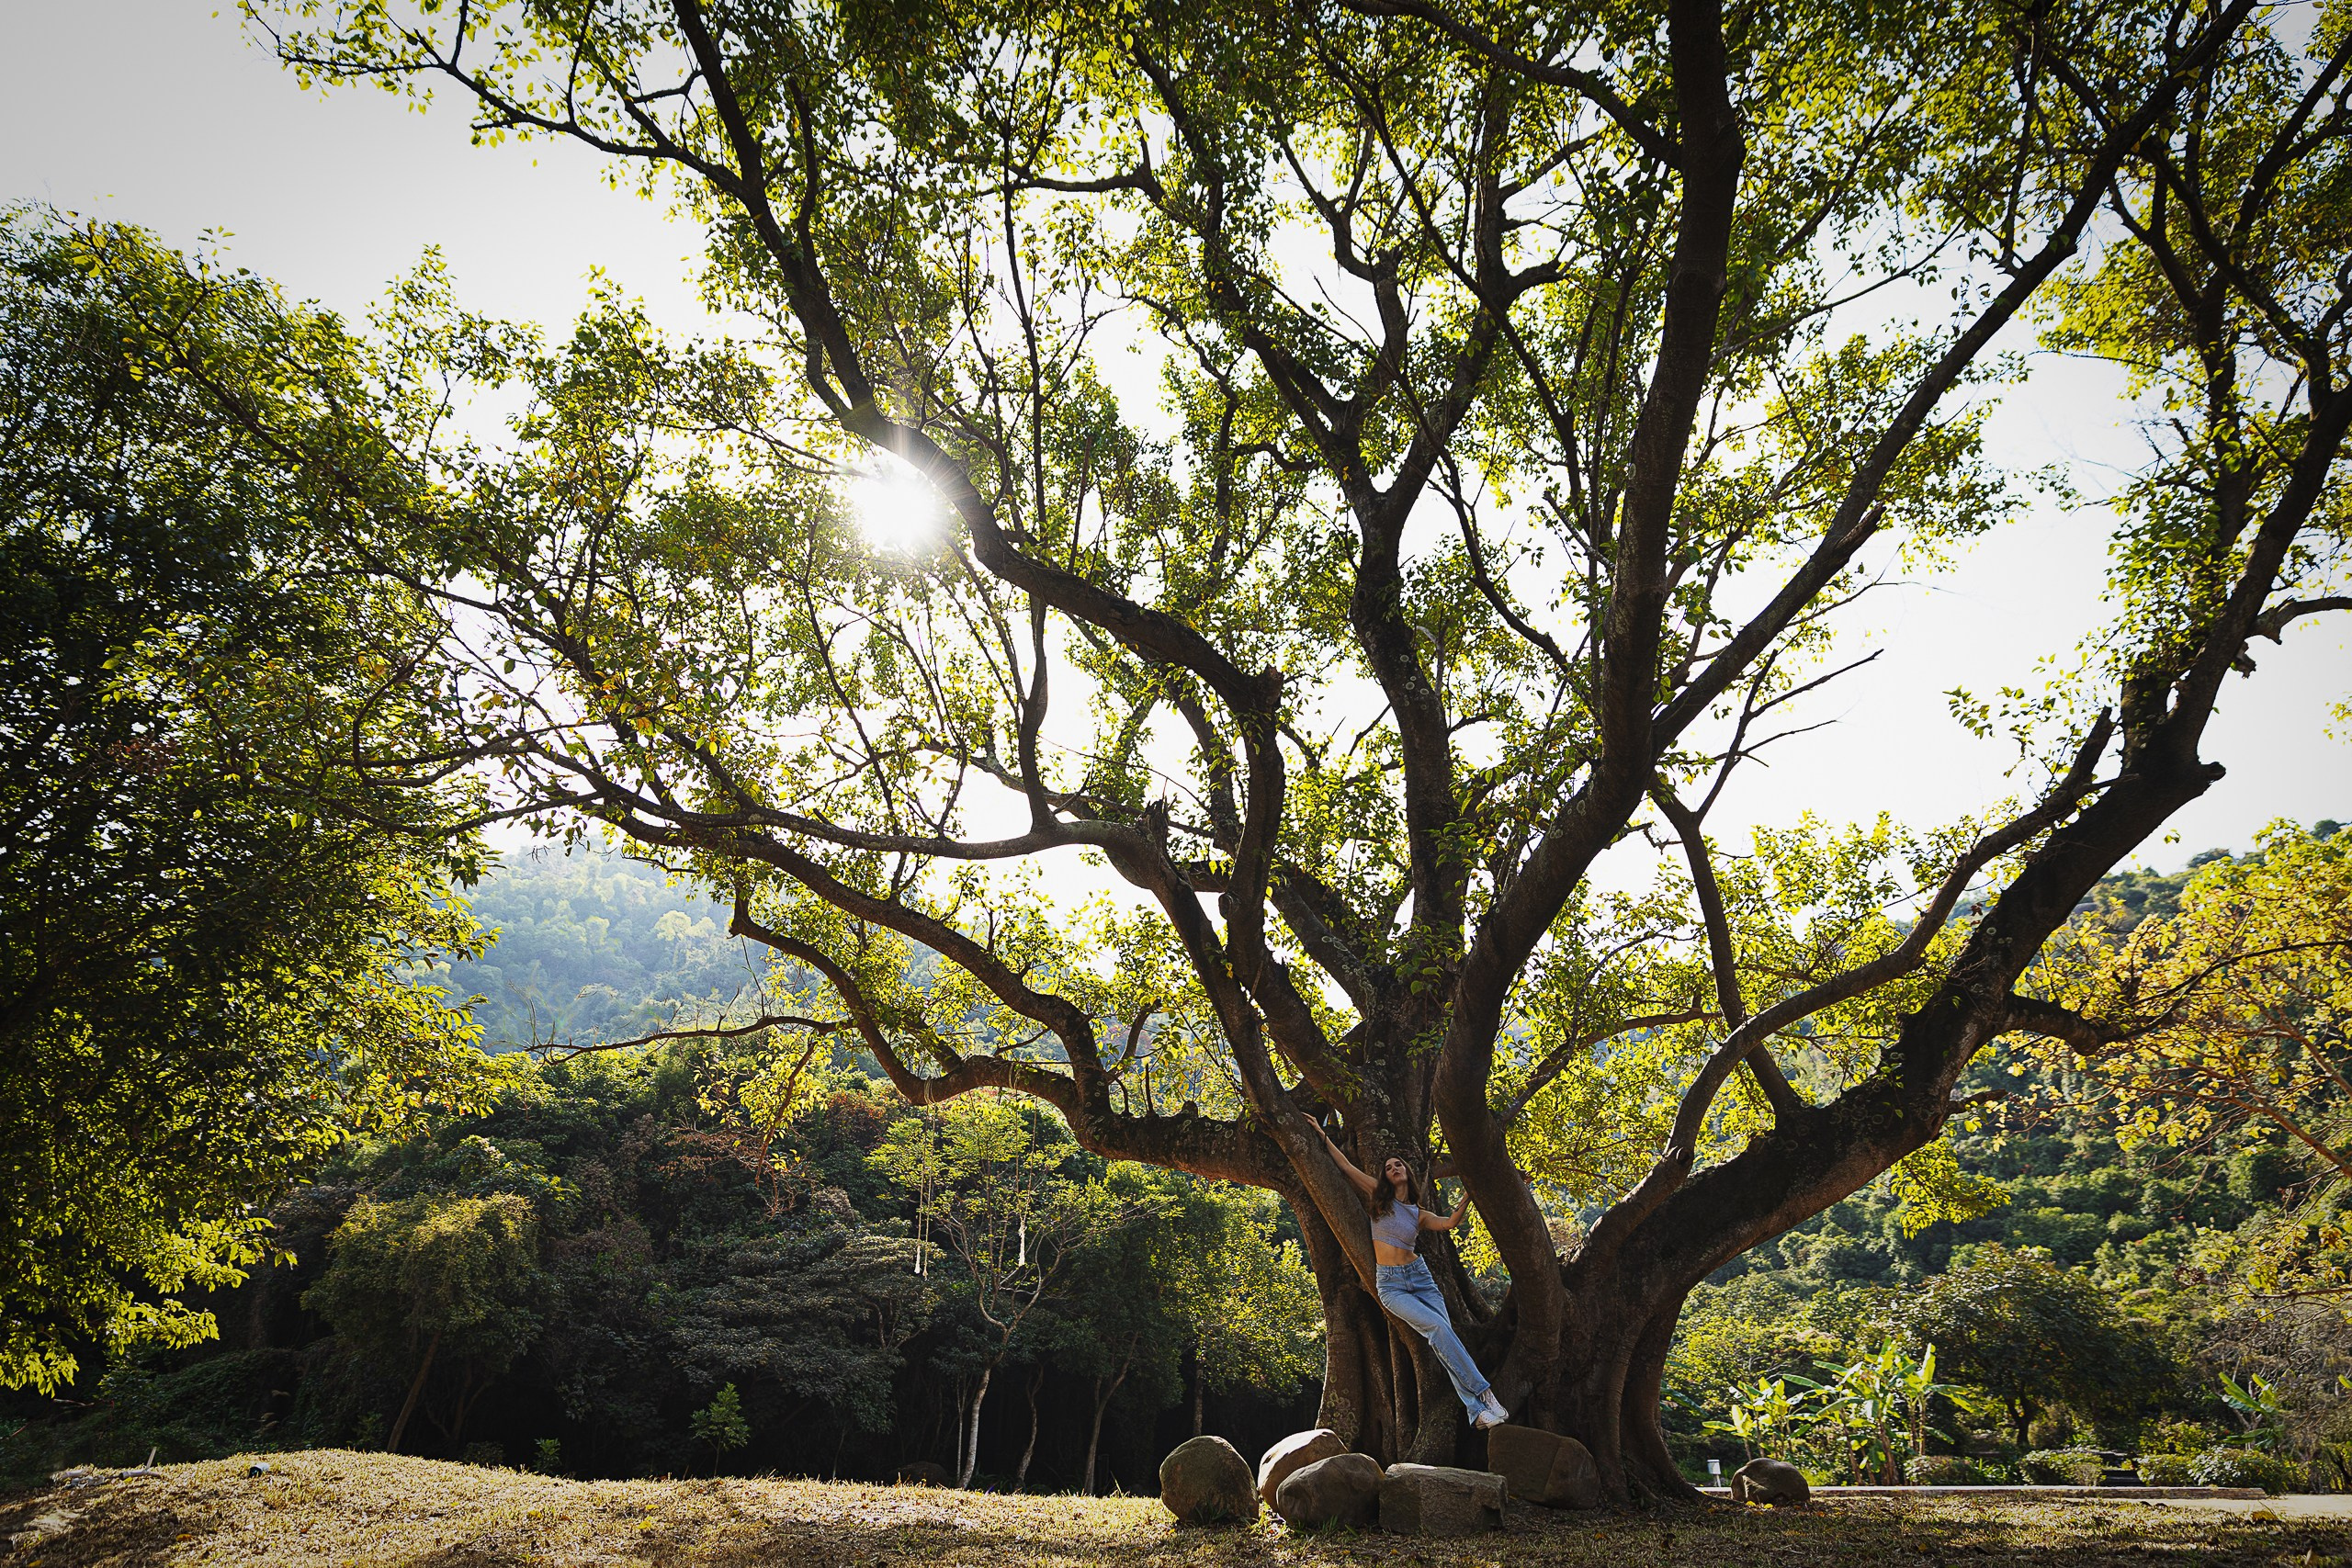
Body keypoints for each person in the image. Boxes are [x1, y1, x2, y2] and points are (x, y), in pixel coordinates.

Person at [1306, 1114, 1511, 1430]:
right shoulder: (1378, 1196)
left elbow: (1450, 1223)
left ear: (1406, 1172)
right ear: (1385, 1178)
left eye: (1397, 1165)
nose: (1393, 1169)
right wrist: (1321, 1135)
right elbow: (1346, 1168)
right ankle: (1485, 1395)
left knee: (1444, 1339)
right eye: (1388, 1168)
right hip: (1392, 1287)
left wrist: (1468, 1194)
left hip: (1421, 1279)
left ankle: (1477, 1412)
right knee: (1439, 1332)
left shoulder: (1418, 1214)